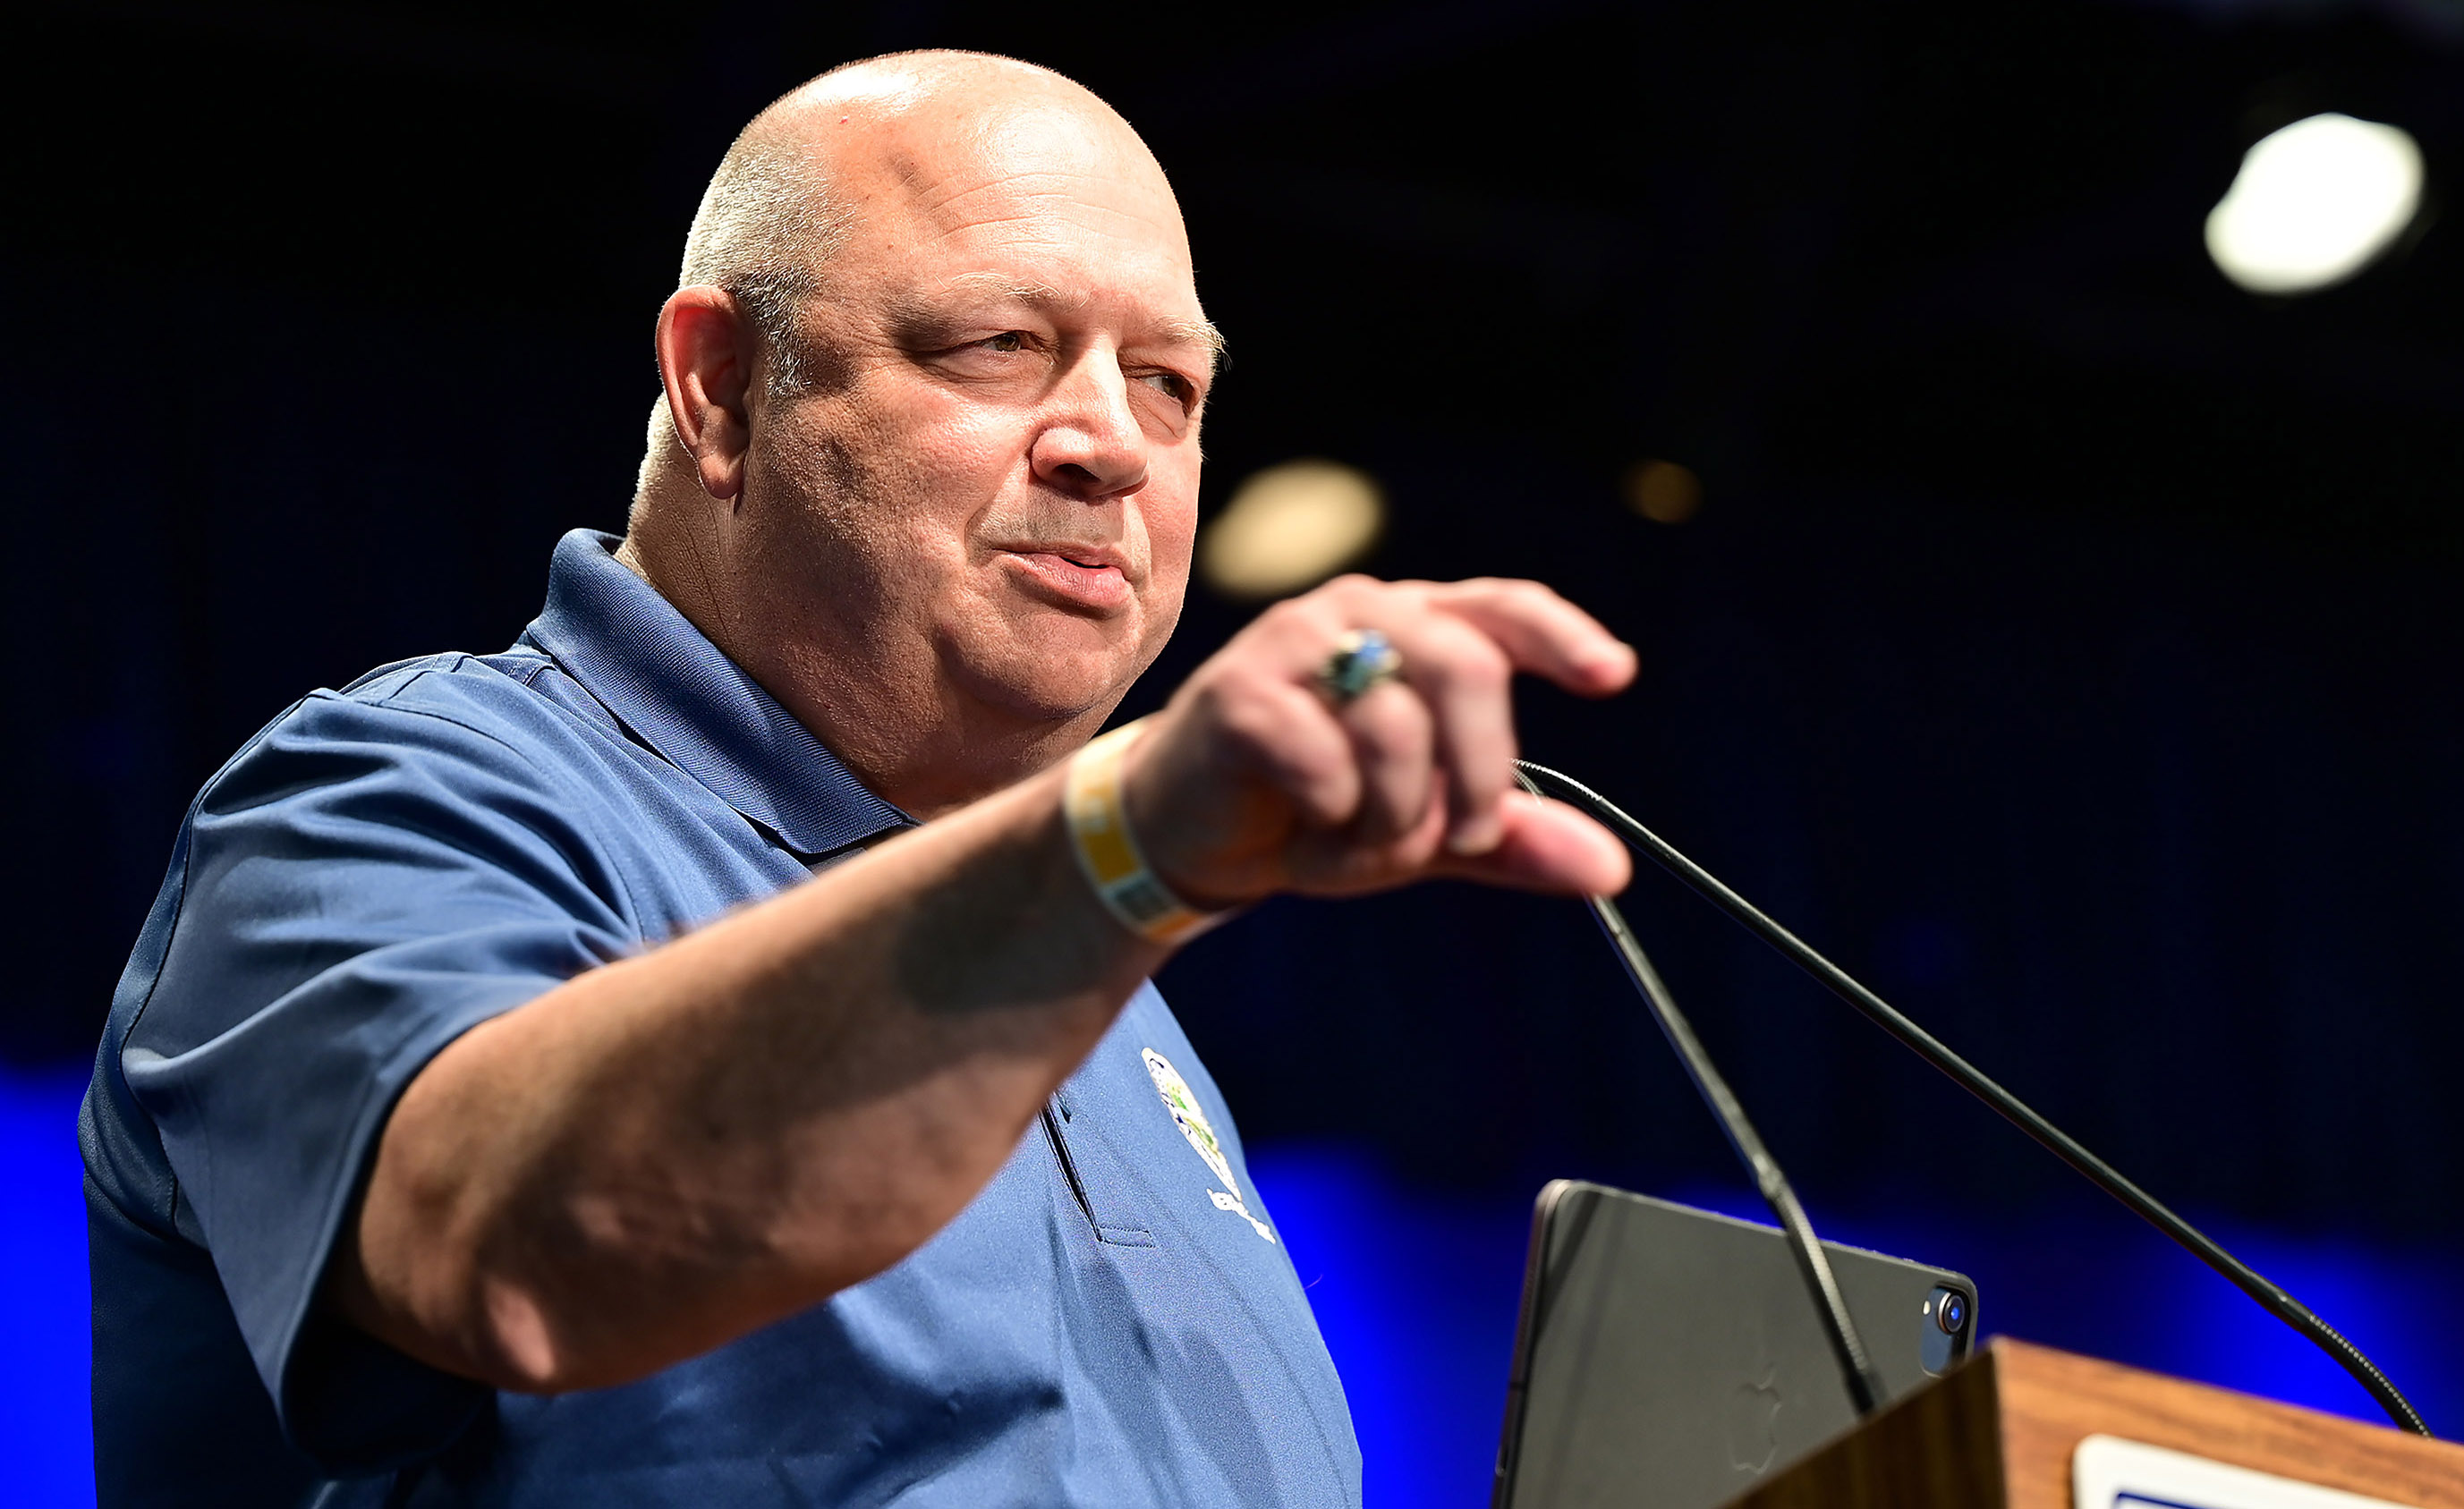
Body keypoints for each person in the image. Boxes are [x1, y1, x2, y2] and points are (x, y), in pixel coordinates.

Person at [79, 49, 1636, 1507]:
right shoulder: (385, 806)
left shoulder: (1113, 992)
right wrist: (1118, 847)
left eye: (1170, 383)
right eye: (1000, 346)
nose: (1113, 443)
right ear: (721, 386)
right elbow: (512, 1252)